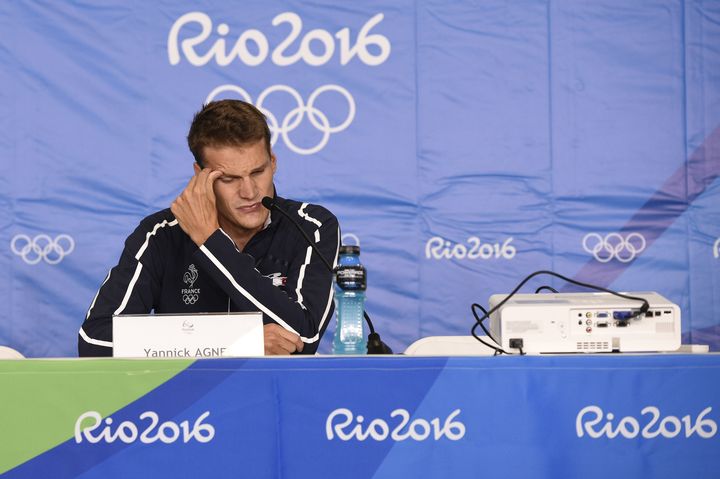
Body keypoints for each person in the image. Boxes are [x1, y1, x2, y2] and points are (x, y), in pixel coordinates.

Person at [78, 100, 340, 356]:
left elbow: (304, 337)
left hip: (276, 397)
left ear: (273, 162)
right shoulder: (160, 232)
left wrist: (210, 242)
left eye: (258, 172)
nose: (249, 192)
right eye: (228, 178)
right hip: (187, 398)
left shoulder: (312, 226)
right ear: (200, 175)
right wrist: (239, 343)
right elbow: (95, 341)